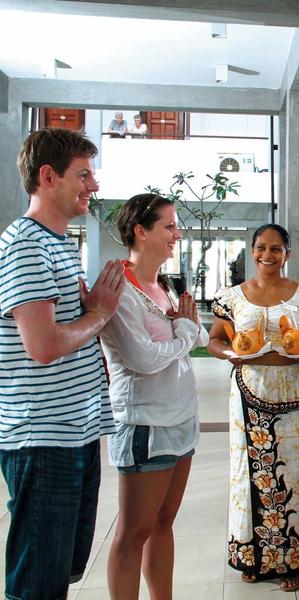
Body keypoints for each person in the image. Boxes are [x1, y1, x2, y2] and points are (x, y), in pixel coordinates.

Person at [0, 128, 125, 599]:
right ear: (47, 177)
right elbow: (44, 346)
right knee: (39, 581)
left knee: (62, 569)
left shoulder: (57, 244)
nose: (93, 186)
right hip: (43, 435)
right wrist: (99, 314)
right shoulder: (26, 244)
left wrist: (93, 314)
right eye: (84, 175)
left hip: (74, 430)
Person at [208, 224, 299, 593]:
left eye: (276, 249)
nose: (267, 255)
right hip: (249, 393)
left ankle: (290, 560)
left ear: (287, 254)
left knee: (292, 476)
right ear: (252, 250)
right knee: (248, 475)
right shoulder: (232, 297)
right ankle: (252, 555)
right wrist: (232, 354)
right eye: (261, 248)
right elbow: (214, 339)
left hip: (294, 395)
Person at [100, 193, 208, 599]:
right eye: (169, 227)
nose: (176, 235)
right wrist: (184, 333)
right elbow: (143, 359)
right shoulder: (119, 288)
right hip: (145, 423)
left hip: (180, 418)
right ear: (140, 232)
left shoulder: (161, 284)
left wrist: (187, 333)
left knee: (163, 523)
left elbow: (194, 334)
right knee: (134, 532)